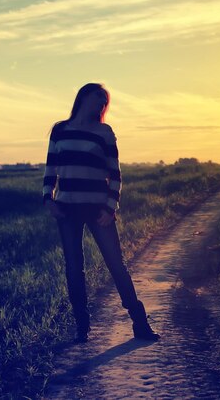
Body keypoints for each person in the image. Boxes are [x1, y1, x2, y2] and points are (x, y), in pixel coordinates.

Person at [42, 82, 160, 343]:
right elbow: (51, 169)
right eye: (99, 100)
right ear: (83, 98)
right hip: (67, 208)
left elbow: (115, 174)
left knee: (116, 265)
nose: (102, 105)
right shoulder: (60, 130)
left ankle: (140, 323)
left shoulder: (105, 133)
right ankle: (81, 327)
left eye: (105, 102)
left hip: (99, 210)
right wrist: (47, 199)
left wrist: (111, 207)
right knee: (74, 268)